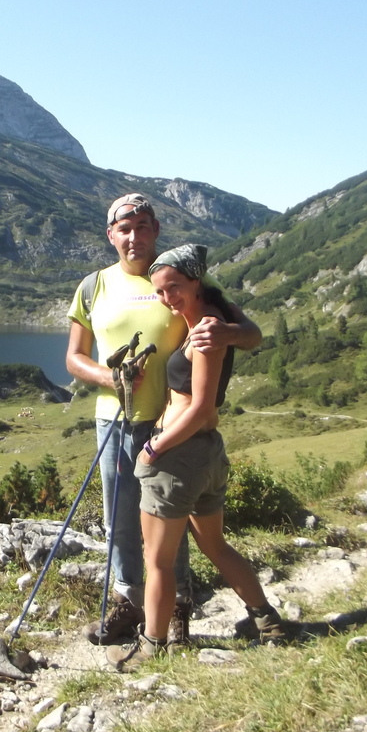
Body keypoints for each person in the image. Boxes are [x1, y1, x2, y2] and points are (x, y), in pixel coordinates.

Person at [66, 193, 262, 647]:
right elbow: (75, 358)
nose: (135, 236)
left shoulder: (181, 279)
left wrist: (225, 331)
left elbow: (251, 335)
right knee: (120, 522)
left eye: (144, 226)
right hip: (114, 420)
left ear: (156, 229)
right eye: (125, 228)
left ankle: (176, 613)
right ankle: (130, 604)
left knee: (170, 520)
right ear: (111, 235)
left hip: (171, 425)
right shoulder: (92, 286)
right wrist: (111, 376)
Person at [105, 244, 285, 672]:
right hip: (207, 455)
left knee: (158, 561)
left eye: (174, 288)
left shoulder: (205, 331)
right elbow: (249, 335)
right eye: (160, 292)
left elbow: (201, 406)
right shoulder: (216, 317)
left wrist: (154, 447)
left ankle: (151, 646)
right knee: (214, 544)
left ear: (195, 281)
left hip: (178, 456)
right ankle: (268, 623)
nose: (167, 298)